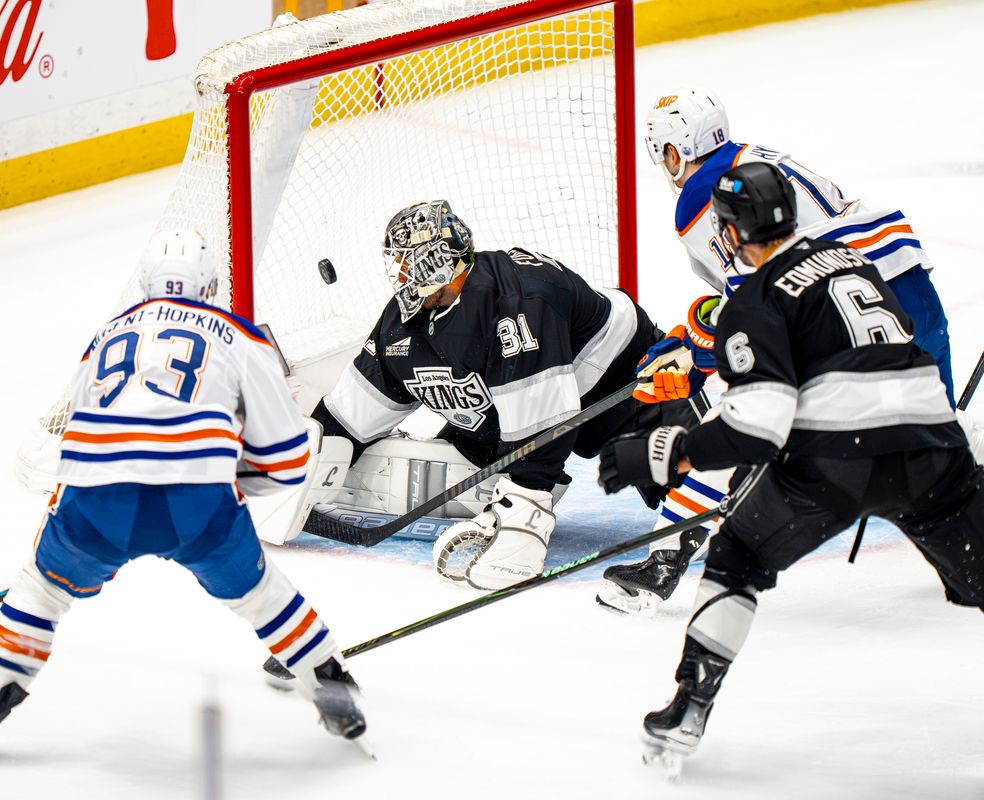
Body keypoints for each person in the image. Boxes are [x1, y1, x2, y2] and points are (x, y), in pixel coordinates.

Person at [597, 162, 984, 783]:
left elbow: (760, 425)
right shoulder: (850, 262)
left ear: (734, 231)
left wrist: (670, 450)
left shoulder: (755, 298)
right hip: (935, 451)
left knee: (735, 561)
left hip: (837, 462)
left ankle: (687, 710)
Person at [597, 89, 984, 616]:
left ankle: (660, 566)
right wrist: (699, 337)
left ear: (675, 151)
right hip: (902, 289)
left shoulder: (707, 197)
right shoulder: (759, 157)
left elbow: (754, 301)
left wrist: (697, 354)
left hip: (830, 316)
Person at [0, 230, 369, 750]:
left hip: (94, 497)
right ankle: (336, 697)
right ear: (211, 286)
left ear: (146, 286)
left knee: (41, 589)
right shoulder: (237, 336)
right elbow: (287, 458)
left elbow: (77, 440)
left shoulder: (104, 338)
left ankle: (3, 676)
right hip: (196, 502)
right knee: (263, 596)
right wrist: (228, 480)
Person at [294, 200, 726, 592]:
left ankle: (524, 506)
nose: (398, 274)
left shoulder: (515, 298)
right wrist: (295, 469)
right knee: (469, 453)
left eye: (406, 264)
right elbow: (345, 417)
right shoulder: (402, 325)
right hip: (507, 403)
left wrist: (525, 516)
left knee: (712, 509)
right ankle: (507, 481)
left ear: (434, 263)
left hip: (616, 378)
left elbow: (544, 422)